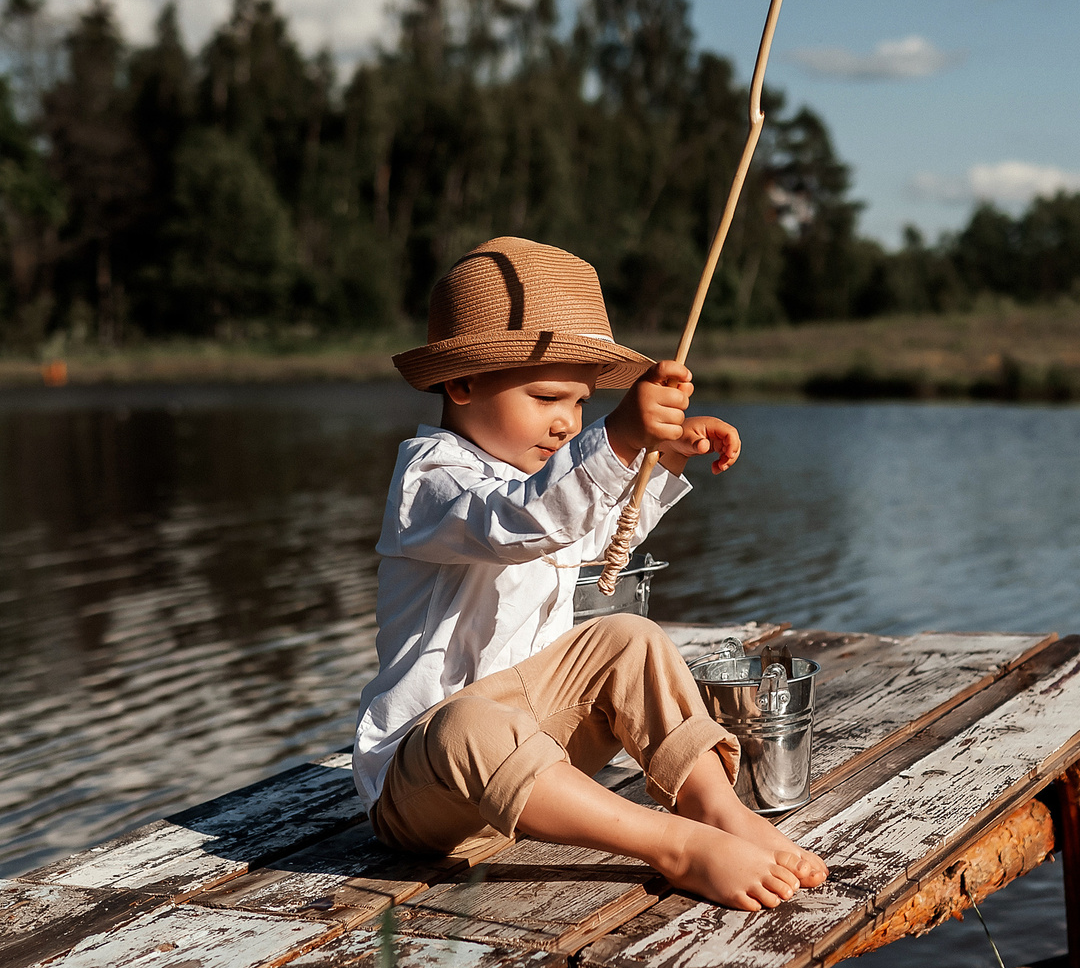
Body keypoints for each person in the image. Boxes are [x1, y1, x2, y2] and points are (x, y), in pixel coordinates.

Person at [350, 236, 828, 910]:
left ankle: (716, 808)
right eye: (547, 396)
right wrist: (617, 438)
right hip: (428, 782)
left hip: (536, 752)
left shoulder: (541, 483)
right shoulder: (431, 480)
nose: (566, 424)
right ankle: (675, 845)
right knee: (467, 723)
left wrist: (663, 460)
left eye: (580, 404)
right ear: (461, 383)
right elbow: (519, 523)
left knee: (629, 637)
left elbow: (592, 534)